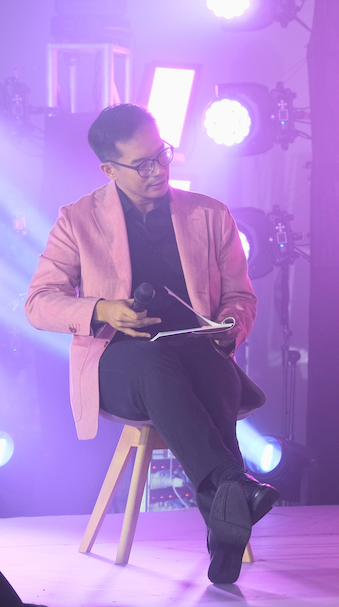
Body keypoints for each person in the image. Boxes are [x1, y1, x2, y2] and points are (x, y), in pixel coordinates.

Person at [25, 104, 280, 585]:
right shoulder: (77, 219)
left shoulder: (209, 214)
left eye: (162, 155)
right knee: (156, 358)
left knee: (215, 371)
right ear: (109, 170)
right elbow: (38, 303)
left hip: (196, 352)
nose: (158, 170)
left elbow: (241, 297)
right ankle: (233, 492)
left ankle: (228, 507)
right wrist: (102, 309)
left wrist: (229, 324)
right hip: (119, 364)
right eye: (142, 164)